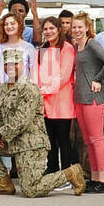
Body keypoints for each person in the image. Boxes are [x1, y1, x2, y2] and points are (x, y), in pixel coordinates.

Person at [0, 50, 86, 197]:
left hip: (31, 144)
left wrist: (0, 133)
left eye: (15, 63)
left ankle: (70, 173)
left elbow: (22, 120)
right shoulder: (2, 89)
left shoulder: (28, 88)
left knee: (30, 190)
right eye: (7, 64)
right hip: (11, 140)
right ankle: (4, 183)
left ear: (22, 65)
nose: (11, 67)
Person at [71, 13, 104, 192]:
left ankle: (103, 181)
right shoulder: (77, 46)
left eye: (80, 27)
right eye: (74, 27)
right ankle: (95, 177)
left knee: (97, 139)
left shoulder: (92, 44)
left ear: (88, 27)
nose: (77, 30)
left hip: (94, 99)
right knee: (88, 141)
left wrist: (98, 79)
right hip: (80, 98)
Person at [36, 17, 77, 173]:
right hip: (45, 103)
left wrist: (44, 90)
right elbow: (36, 73)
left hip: (62, 102)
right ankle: (52, 169)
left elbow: (64, 76)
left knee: (63, 140)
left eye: (51, 28)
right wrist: (38, 91)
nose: (48, 32)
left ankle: (66, 173)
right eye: (45, 29)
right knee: (50, 140)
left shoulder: (67, 48)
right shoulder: (42, 49)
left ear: (59, 29)